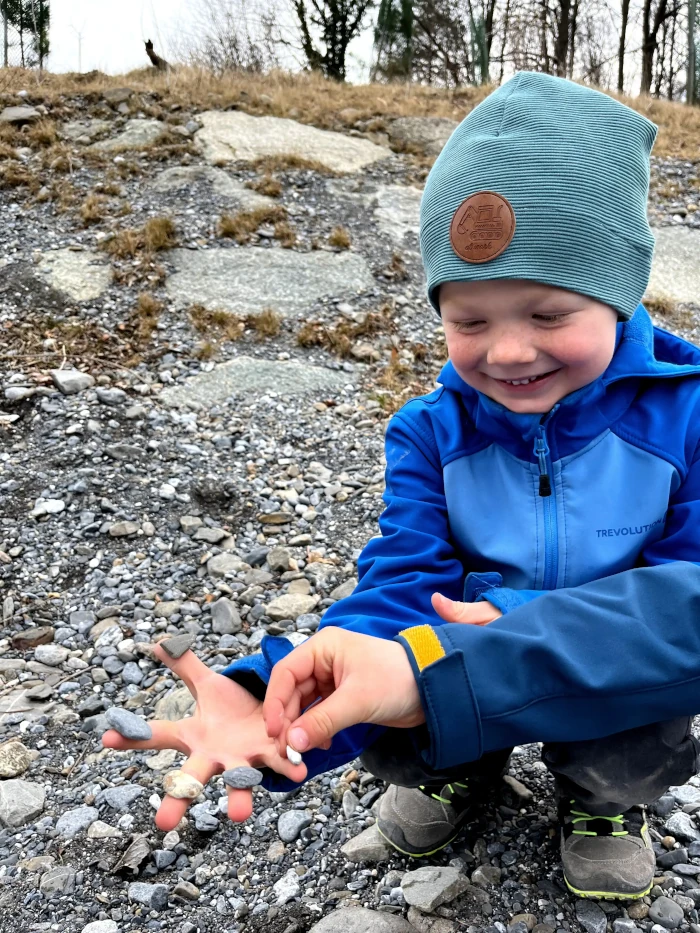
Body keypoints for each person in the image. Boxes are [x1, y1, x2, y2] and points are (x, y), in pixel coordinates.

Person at [103, 71, 700, 901]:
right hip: (453, 668)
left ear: (621, 293)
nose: (510, 351)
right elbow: (398, 585)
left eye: (549, 313)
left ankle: (603, 798)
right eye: (470, 320)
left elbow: (685, 607)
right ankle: (461, 766)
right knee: (379, 674)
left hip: (614, 663)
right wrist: (268, 691)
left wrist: (512, 628)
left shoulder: (687, 417)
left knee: (648, 710)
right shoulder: (428, 431)